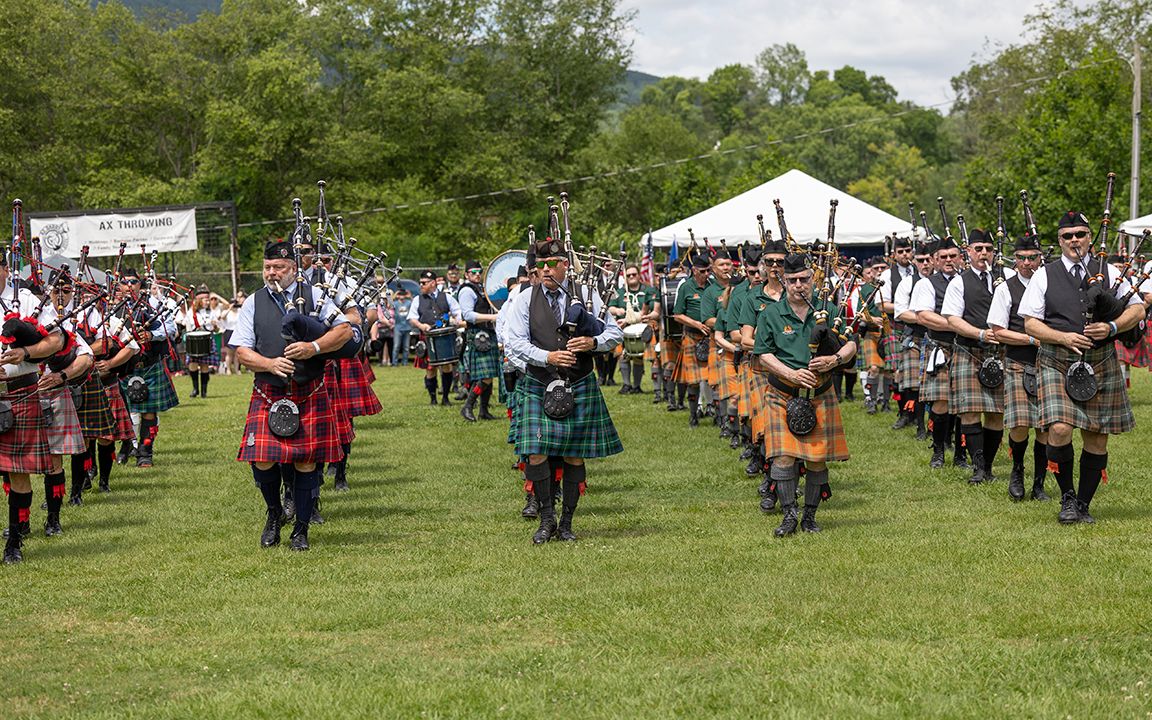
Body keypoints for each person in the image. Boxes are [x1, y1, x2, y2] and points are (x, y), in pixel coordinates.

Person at [1019, 211, 1144, 524]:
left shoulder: (1110, 271)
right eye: (1067, 236)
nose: (1074, 240)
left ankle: (1084, 504)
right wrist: (1061, 336)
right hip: (1056, 360)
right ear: (1059, 240)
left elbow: (1139, 308)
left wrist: (1112, 327)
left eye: (1080, 234)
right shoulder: (1044, 274)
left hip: (1100, 360)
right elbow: (1031, 323)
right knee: (1059, 429)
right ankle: (1067, 499)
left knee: (1097, 437)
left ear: (1089, 237)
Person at [231, 238, 352, 551]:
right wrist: (269, 363)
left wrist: (314, 347)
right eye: (268, 267)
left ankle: (301, 529)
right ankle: (273, 514)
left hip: (309, 389)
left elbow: (345, 331)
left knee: (306, 462)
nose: (272, 273)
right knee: (261, 459)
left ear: (294, 269)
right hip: (268, 390)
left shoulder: (315, 295)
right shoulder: (253, 302)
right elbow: (242, 351)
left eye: (280, 267)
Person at [502, 237, 623, 544]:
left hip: (579, 382)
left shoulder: (586, 294)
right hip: (539, 382)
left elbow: (614, 331)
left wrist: (593, 343)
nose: (544, 270)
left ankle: (567, 523)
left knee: (574, 456)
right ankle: (546, 519)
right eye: (540, 265)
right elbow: (514, 341)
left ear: (564, 265)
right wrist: (548, 356)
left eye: (551, 265)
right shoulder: (522, 298)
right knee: (537, 453)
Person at [754, 253, 856, 537]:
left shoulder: (827, 311)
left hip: (820, 392)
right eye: (793, 280)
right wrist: (791, 373)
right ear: (783, 281)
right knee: (783, 457)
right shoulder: (772, 314)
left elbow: (852, 346)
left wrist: (834, 360)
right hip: (783, 393)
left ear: (813, 279)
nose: (799, 285)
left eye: (804, 279)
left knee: (817, 458)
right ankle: (789, 515)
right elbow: (764, 356)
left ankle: (810, 517)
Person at [1, 254, 66, 564]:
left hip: (17, 393)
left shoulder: (25, 300)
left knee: (17, 471)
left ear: (4, 269)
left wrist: (25, 352)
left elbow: (55, 341)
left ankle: (14, 540)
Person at [942, 229, 1011, 484]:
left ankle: (989, 466)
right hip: (969, 351)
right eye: (979, 249)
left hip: (1001, 352)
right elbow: (952, 319)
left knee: (996, 413)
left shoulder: (1007, 278)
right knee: (970, 411)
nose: (984, 254)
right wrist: (980, 333)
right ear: (968, 252)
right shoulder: (959, 282)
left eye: (989, 249)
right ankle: (978, 468)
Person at [987, 234, 1050, 501]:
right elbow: (998, 331)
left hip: (1049, 363)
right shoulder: (1005, 289)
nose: (1027, 263)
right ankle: (1017, 470)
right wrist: (1032, 339)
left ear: (1040, 258)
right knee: (1020, 424)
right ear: (1015, 260)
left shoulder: (1051, 284)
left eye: (1032, 258)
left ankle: (1039, 484)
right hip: (1017, 362)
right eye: (1022, 258)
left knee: (1046, 428)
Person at [909, 238, 966, 469]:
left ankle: (961, 454)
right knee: (941, 403)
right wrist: (957, 325)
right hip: (940, 348)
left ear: (960, 258)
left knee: (965, 405)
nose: (949, 260)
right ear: (935, 260)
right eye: (943, 257)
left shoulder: (968, 282)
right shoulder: (927, 284)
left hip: (966, 348)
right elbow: (924, 316)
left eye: (953, 256)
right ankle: (939, 450)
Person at [117, 268, 179, 469]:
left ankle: (145, 453)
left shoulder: (155, 305)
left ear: (140, 284)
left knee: (148, 413)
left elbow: (170, 329)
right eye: (125, 282)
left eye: (133, 281)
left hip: (149, 365)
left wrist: (152, 336)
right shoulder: (112, 307)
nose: (129, 286)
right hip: (122, 366)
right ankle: (126, 446)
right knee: (124, 413)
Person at [889, 239, 930, 435]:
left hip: (940, 338)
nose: (925, 264)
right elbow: (900, 312)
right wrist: (927, 319)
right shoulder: (907, 283)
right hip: (915, 336)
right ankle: (920, 426)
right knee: (917, 386)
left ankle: (937, 429)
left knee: (938, 388)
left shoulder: (943, 281)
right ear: (916, 261)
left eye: (928, 259)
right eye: (921, 260)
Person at [408, 270, 464, 405]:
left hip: (445, 336)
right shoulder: (417, 299)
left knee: (446, 366)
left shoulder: (447, 297)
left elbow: (458, 312)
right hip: (427, 336)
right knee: (430, 368)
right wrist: (422, 326)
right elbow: (412, 318)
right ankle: (433, 399)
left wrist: (456, 320)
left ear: (432, 283)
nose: (421, 285)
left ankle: (445, 397)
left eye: (424, 283)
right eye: (420, 283)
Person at [672, 253, 713, 427]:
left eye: (708, 270)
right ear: (695, 270)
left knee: (713, 378)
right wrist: (696, 324)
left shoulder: (712, 286)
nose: (706, 274)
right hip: (691, 336)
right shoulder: (686, 287)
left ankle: (717, 414)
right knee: (693, 381)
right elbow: (677, 315)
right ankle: (692, 414)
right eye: (703, 271)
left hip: (710, 337)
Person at [457, 260, 501, 422]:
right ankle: (467, 406)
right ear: (467, 274)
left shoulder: (482, 289)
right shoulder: (467, 291)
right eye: (473, 272)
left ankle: (483, 411)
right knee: (485, 375)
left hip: (487, 333)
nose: (477, 275)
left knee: (489, 374)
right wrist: (493, 317)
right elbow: (467, 315)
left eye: (479, 271)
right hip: (477, 335)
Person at [607, 263, 660, 394]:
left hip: (643, 328)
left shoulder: (648, 290)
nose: (631, 277)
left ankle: (637, 386)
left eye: (634, 274)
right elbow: (610, 307)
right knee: (622, 356)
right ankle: (626, 385)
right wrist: (618, 310)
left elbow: (654, 310)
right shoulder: (619, 292)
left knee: (638, 357)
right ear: (625, 277)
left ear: (639, 275)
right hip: (623, 328)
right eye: (628, 275)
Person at [184, 285, 220, 398]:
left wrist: (215, 326)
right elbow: (188, 326)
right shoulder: (192, 312)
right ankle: (195, 389)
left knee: (204, 365)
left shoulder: (211, 312)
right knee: (193, 364)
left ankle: (204, 391)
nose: (208, 302)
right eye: (206, 300)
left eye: (208, 300)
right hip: (194, 340)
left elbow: (216, 329)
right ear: (199, 300)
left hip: (207, 339)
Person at [392, 290, 412, 366]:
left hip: (407, 327)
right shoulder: (395, 303)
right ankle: (394, 362)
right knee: (396, 346)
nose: (402, 296)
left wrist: (409, 296)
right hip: (398, 327)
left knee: (406, 347)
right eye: (400, 295)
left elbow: (415, 305)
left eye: (403, 294)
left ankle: (405, 362)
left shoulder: (408, 303)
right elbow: (390, 304)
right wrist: (395, 294)